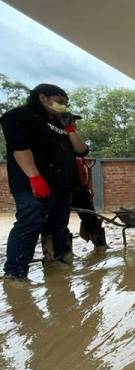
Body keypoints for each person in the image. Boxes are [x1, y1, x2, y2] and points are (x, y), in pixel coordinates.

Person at [0, 83, 89, 282]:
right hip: (34, 184)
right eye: (60, 102)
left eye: (66, 104)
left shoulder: (60, 124)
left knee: (57, 225)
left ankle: (54, 263)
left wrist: (70, 129)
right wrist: (35, 177)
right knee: (30, 223)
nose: (63, 107)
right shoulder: (20, 116)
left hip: (63, 185)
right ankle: (15, 274)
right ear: (43, 97)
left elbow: (81, 151)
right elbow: (19, 147)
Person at [72, 157, 107, 249]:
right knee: (59, 223)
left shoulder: (80, 161)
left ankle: (100, 245)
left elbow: (85, 179)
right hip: (65, 191)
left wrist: (90, 189)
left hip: (82, 191)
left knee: (92, 218)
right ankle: (62, 253)